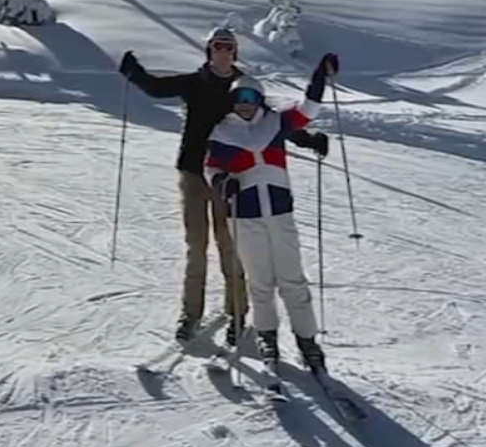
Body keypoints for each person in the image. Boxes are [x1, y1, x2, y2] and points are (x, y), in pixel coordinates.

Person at [117, 28, 330, 348]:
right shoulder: (194, 82)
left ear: (235, 51)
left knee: (231, 246)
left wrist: (307, 139)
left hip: (232, 177)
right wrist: (134, 73)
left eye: (229, 46)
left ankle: (238, 312)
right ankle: (191, 314)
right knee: (196, 246)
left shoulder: (243, 87)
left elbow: (269, 121)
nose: (223, 51)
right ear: (209, 50)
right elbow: (157, 88)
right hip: (193, 172)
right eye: (218, 46)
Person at [203, 53, 339, 376]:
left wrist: (319, 76)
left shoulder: (276, 123)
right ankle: (267, 337)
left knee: (292, 279)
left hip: (279, 212)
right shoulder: (221, 133)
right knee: (260, 281)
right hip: (244, 215)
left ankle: (307, 340)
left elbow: (308, 110)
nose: (245, 104)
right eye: (239, 98)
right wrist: (222, 182)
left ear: (260, 99)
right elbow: (211, 168)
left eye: (251, 98)